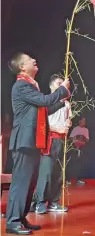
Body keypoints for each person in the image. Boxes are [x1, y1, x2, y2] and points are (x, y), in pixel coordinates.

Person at [5, 53, 70, 235]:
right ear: (22, 67)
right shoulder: (22, 85)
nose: (35, 60)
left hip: (32, 141)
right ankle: (12, 222)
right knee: (21, 183)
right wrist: (61, 90)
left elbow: (45, 108)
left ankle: (21, 217)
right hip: (24, 141)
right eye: (29, 59)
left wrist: (61, 101)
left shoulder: (31, 86)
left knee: (29, 184)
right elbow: (43, 101)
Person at [31, 75, 72, 215]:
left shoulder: (66, 103)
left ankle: (53, 202)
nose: (63, 86)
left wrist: (68, 124)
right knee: (46, 173)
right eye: (59, 83)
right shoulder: (47, 102)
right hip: (50, 140)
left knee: (59, 173)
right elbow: (42, 125)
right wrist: (57, 129)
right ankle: (39, 202)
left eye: (64, 83)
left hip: (62, 140)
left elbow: (68, 119)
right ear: (52, 87)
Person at [66, 116, 89, 185]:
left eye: (85, 121)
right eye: (83, 120)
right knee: (72, 163)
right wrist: (76, 139)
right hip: (74, 148)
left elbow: (87, 139)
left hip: (82, 148)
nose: (84, 122)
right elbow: (70, 137)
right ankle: (68, 179)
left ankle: (79, 179)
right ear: (79, 121)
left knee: (80, 164)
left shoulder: (86, 130)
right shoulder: (75, 129)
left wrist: (82, 139)